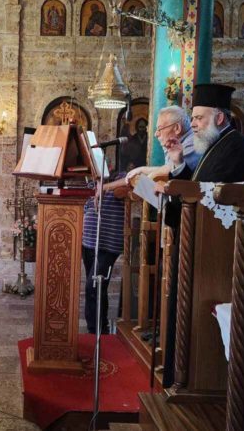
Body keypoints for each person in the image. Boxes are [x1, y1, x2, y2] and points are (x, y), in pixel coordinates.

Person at [160, 84, 244, 387]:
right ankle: (177, 378)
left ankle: (188, 381)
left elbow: (211, 198)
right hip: (194, 241)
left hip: (212, 248)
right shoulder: (212, 147)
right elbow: (196, 187)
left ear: (219, 118)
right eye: (193, 118)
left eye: (199, 118)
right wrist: (177, 162)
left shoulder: (237, 147)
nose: (194, 125)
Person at [82, 173, 126, 335]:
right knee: (97, 288)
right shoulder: (91, 183)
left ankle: (96, 331)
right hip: (88, 243)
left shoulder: (120, 176)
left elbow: (129, 184)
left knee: (93, 286)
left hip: (107, 245)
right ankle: (99, 327)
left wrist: (105, 187)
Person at [125, 105, 200, 184]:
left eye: (160, 129)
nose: (156, 134)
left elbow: (169, 171)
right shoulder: (178, 142)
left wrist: (144, 178)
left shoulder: (194, 142)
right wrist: (141, 170)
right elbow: (171, 167)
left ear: (177, 128)